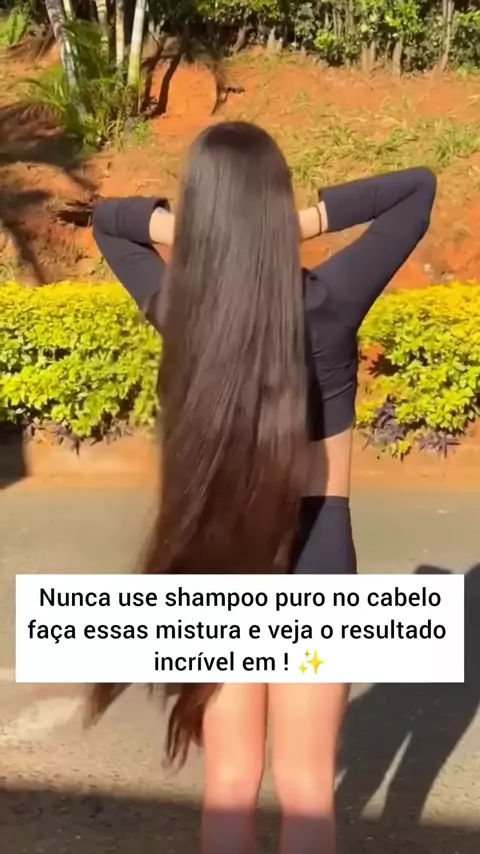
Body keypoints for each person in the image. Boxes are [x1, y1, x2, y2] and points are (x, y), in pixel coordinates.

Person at [88, 121, 436, 854]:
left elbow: (109, 222)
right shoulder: (331, 298)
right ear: (276, 200)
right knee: (307, 791)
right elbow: (416, 190)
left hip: (218, 551)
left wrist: (206, 235)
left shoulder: (181, 306)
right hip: (318, 552)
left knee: (229, 784)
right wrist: (296, 226)